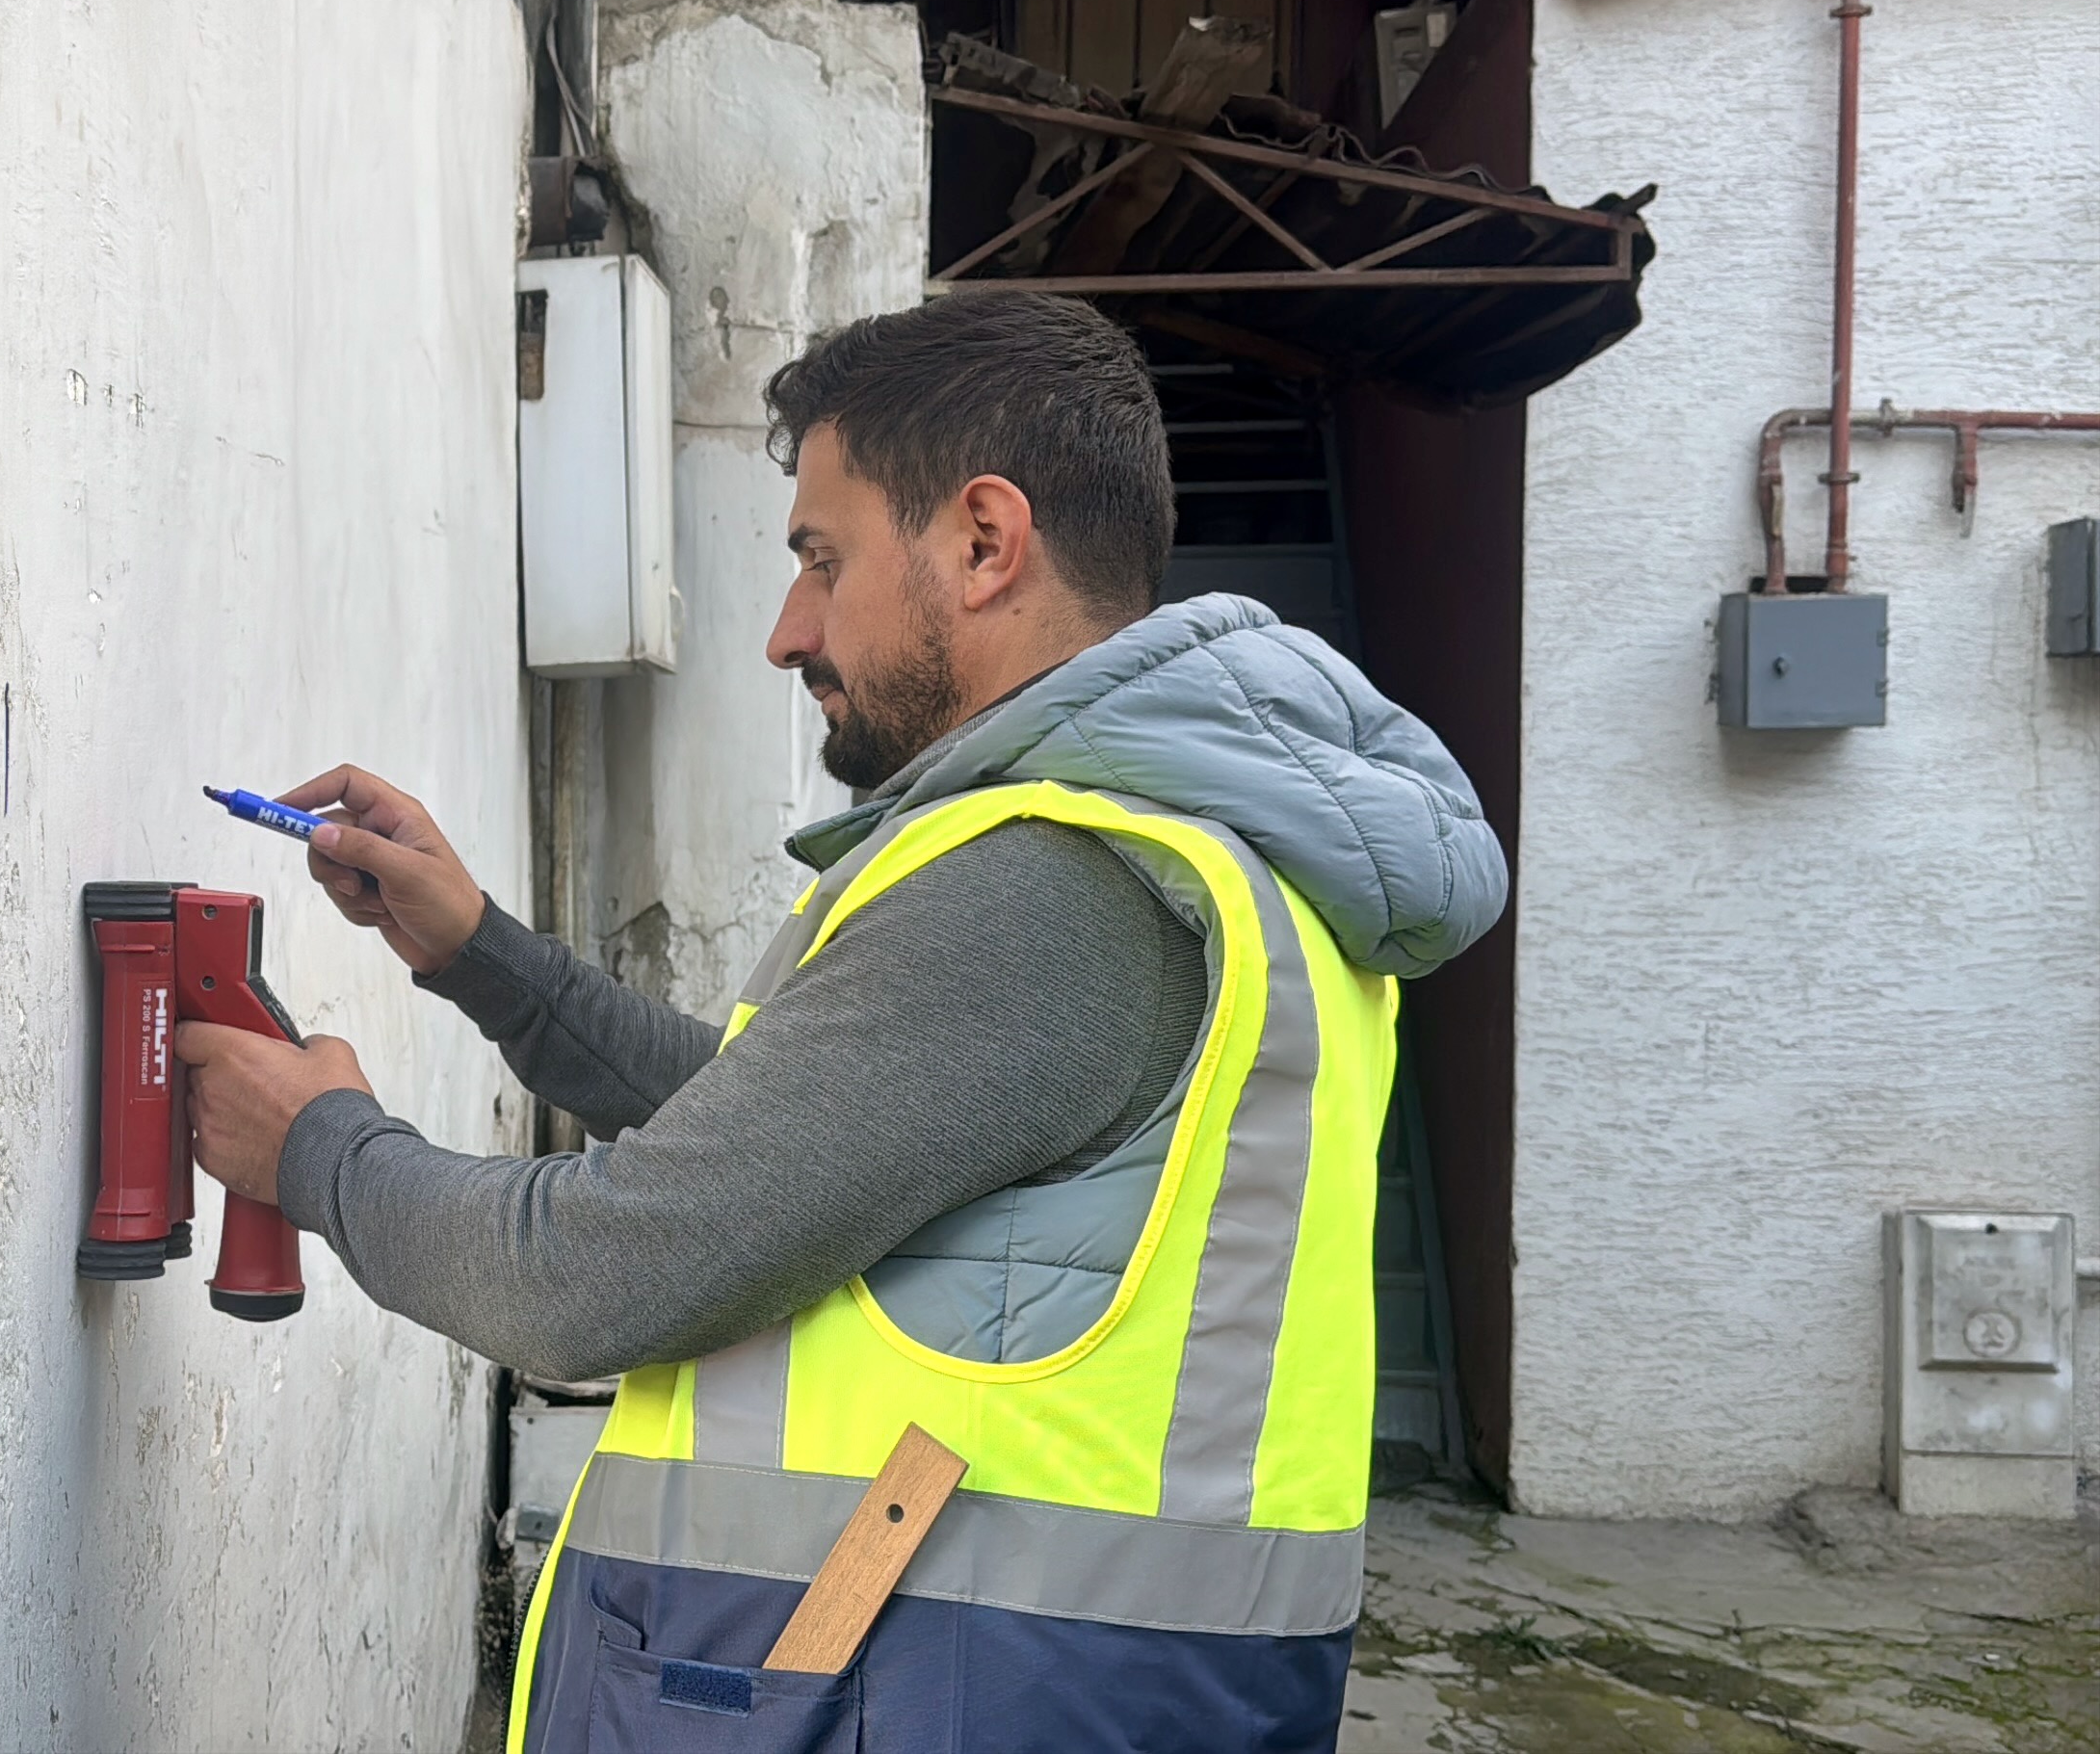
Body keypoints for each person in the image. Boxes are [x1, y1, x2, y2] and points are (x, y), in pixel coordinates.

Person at [175, 292, 1506, 1753]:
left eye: (822, 559)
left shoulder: (1058, 887)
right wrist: (483, 955)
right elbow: (793, 1135)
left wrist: (318, 1150)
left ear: (985, 543)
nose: (784, 632)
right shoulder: (1218, 858)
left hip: (952, 1697)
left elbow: (605, 1272)